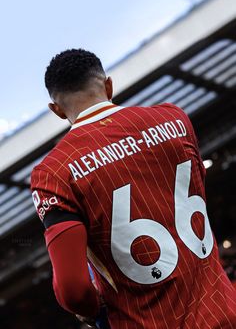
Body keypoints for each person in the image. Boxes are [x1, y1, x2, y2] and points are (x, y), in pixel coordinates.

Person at [31, 48, 236, 329]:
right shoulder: (174, 119)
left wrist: (92, 309)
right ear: (108, 86)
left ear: (56, 110)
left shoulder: (54, 172)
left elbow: (73, 290)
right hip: (224, 310)